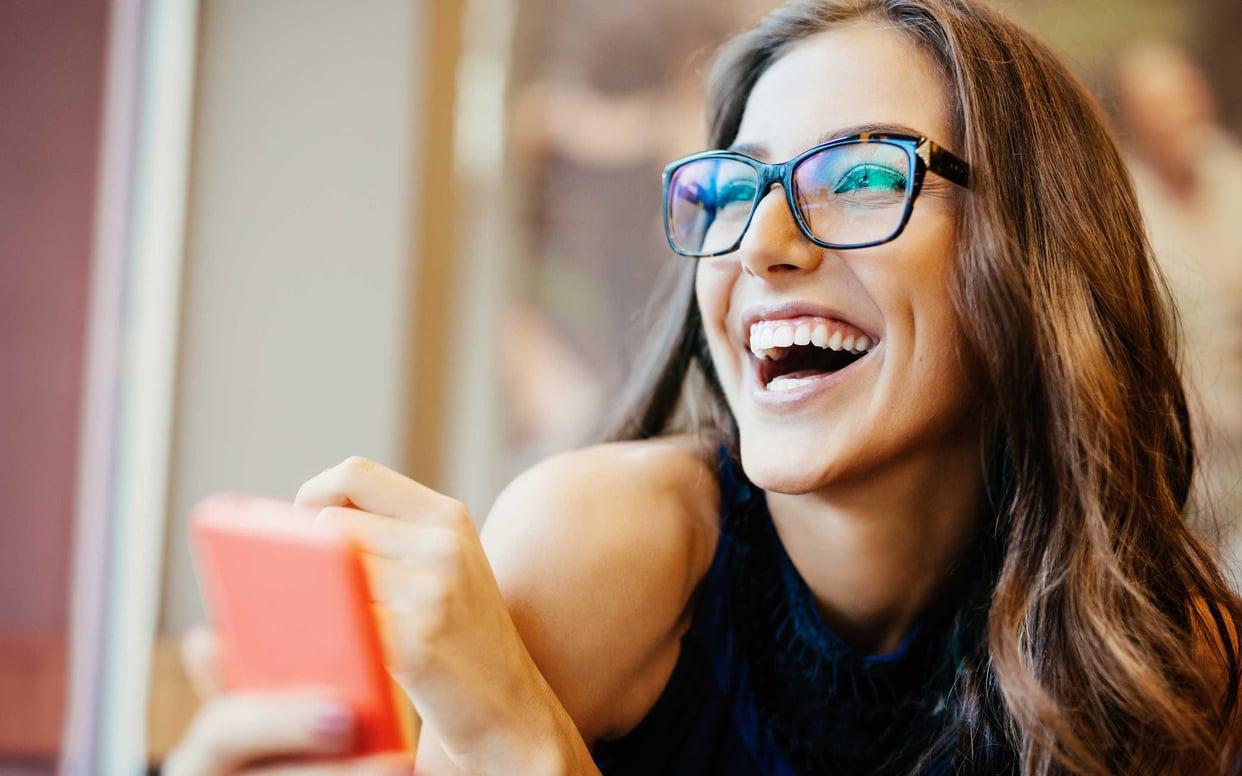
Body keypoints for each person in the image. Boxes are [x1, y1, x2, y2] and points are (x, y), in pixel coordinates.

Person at [165, 1, 1242, 774]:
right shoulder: (601, 547)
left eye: (862, 174)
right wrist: (492, 728)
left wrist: (519, 738)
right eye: (734, 189)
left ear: (1035, 255)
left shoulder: (1158, 652)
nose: (760, 245)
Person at [1115, 41, 1242, 578]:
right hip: (1196, 461)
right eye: (1160, 108)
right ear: (1136, 125)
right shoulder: (1129, 214)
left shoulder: (1228, 168)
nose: (1181, 117)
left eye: (1185, 98)